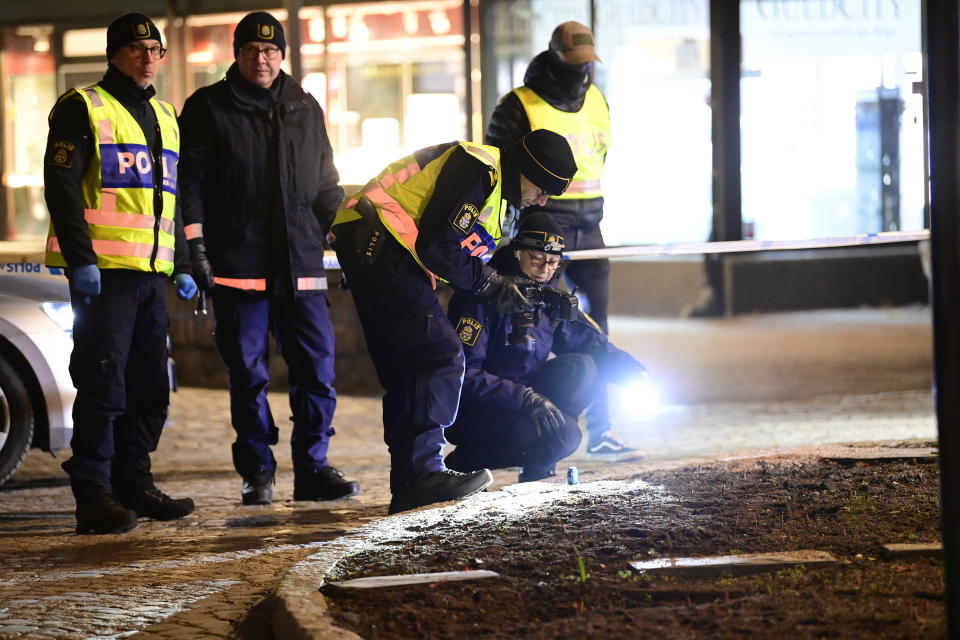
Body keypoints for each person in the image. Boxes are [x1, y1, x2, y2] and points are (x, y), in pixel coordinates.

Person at [332, 129, 577, 514]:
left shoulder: (496, 199)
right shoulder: (479, 167)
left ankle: (410, 484)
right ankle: (426, 472)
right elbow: (437, 245)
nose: (542, 200)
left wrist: (514, 289)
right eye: (542, 188)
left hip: (377, 246)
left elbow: (459, 257)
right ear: (525, 169)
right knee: (441, 354)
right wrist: (491, 285)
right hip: (381, 242)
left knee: (408, 370)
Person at [178, 11, 358, 506]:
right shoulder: (207, 108)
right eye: (253, 51)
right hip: (239, 264)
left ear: (282, 55)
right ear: (236, 55)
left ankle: (313, 467)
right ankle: (258, 470)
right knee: (249, 375)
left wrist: (349, 234)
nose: (262, 59)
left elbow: (326, 185)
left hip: (301, 264)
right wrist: (195, 248)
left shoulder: (304, 105)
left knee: (317, 370)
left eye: (271, 51)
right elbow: (188, 185)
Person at [43, 12, 198, 534]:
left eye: (155, 49)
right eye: (136, 49)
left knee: (150, 386)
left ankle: (135, 483)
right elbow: (62, 187)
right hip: (104, 276)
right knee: (103, 384)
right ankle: (94, 495)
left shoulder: (165, 114)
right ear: (114, 54)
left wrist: (178, 261)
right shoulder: (82, 106)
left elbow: (168, 199)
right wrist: (82, 259)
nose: (148, 57)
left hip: (150, 274)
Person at [485, 21, 637, 460]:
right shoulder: (518, 104)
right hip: (543, 229)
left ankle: (605, 431)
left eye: (588, 63)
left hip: (591, 226)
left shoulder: (597, 99)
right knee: (543, 325)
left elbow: (600, 156)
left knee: (597, 328)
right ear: (553, 59)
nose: (582, 70)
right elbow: (503, 170)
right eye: (574, 63)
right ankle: (539, 426)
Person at [444, 213, 650, 481]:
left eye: (552, 262)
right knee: (565, 436)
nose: (544, 269)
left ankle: (538, 465)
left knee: (582, 367)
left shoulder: (548, 295)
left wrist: (633, 372)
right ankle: (466, 462)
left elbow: (591, 344)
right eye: (537, 259)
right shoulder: (484, 294)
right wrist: (526, 399)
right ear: (517, 253)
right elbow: (464, 374)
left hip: (523, 397)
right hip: (476, 409)